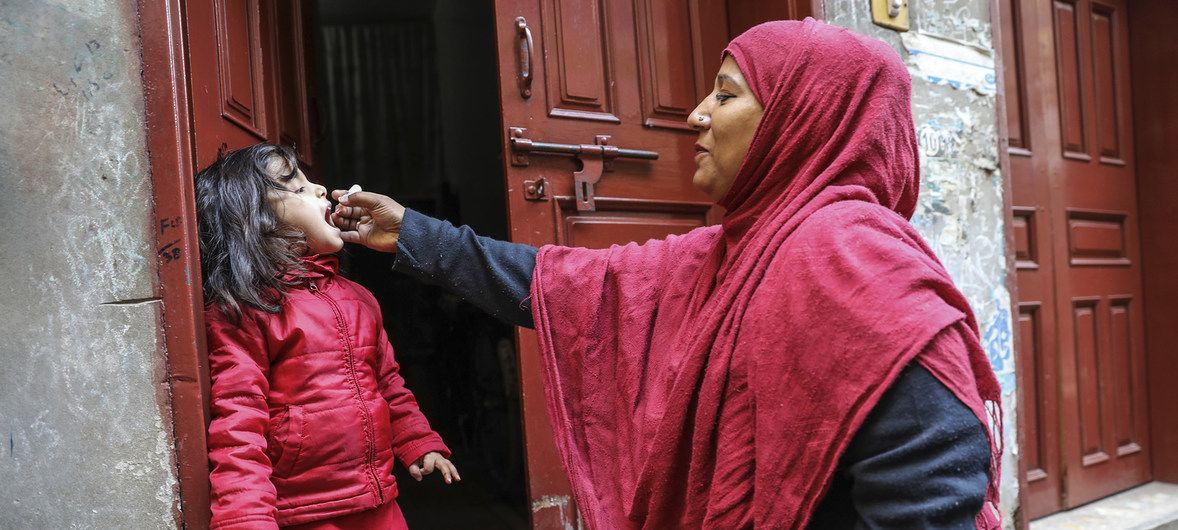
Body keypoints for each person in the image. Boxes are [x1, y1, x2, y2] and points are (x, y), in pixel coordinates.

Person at [332, 19, 1001, 529]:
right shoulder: (740, 249)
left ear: (802, 120)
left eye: (727, 94)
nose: (697, 115)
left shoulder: (855, 261)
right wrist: (413, 234)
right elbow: (572, 284)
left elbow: (932, 478)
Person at [195, 144, 460, 530]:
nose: (320, 189)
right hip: (304, 511)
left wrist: (417, 442)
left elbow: (388, 385)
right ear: (257, 219)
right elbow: (239, 421)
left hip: (378, 499)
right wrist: (247, 518)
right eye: (297, 187)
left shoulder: (360, 299)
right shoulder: (246, 308)